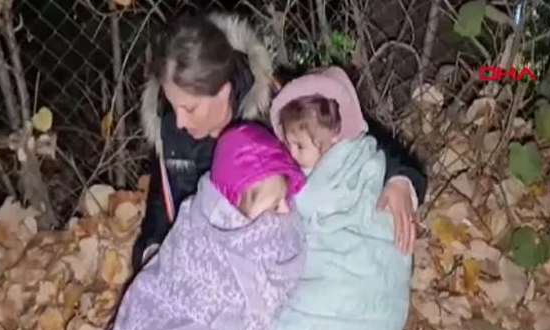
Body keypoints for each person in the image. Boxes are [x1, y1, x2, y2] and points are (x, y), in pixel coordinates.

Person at [15, 123, 307, 330]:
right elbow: (165, 291)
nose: (285, 213)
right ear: (234, 209)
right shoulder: (200, 230)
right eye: (273, 207)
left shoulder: (284, 235)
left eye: (285, 200)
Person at [133, 12, 427, 269]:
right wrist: (154, 256)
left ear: (223, 91)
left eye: (189, 108)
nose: (179, 121)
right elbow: (158, 222)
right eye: (173, 106)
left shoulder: (282, 101)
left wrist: (400, 180)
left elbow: (363, 135)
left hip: (307, 255)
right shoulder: (174, 136)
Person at [238, 66, 413, 330]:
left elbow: (347, 220)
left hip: (355, 287)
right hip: (322, 282)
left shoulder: (360, 162)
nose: (291, 153)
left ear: (332, 138)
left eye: (300, 146)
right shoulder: (300, 164)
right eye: (288, 143)